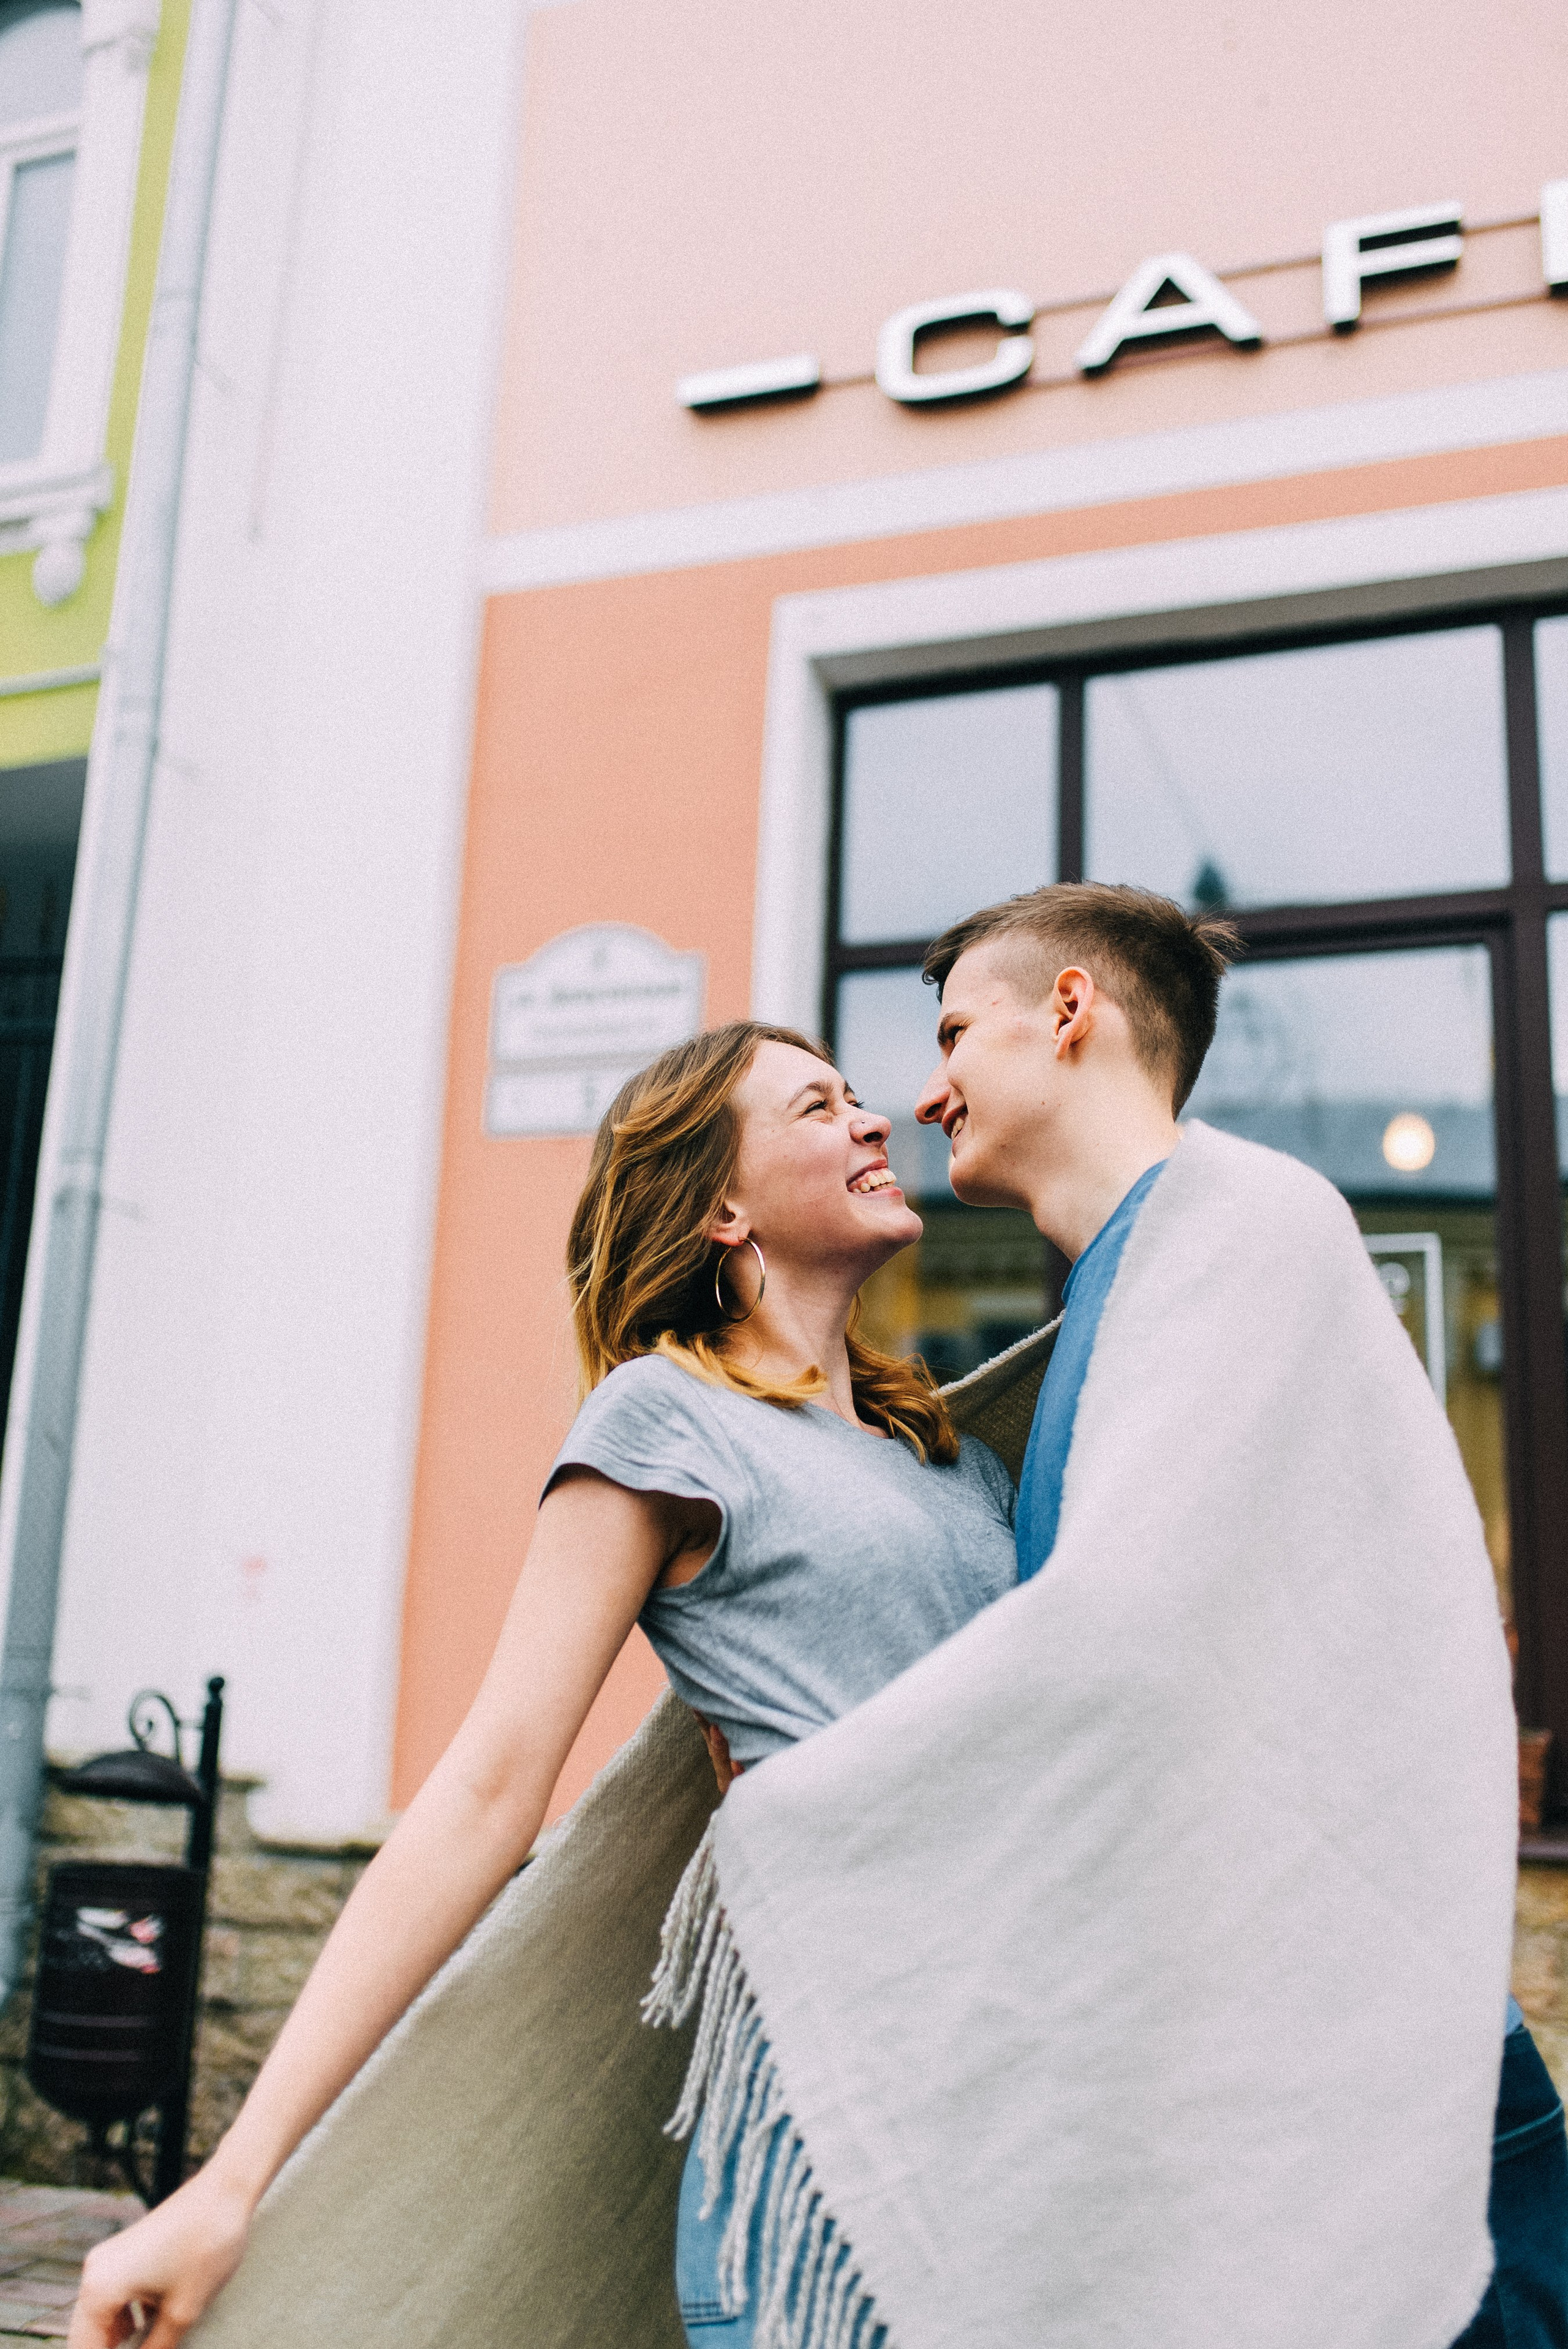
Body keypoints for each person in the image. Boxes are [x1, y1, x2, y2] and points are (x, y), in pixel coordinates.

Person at [67, 1020, 1018, 2349]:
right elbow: (487, 1790)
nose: (871, 1119)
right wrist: (232, 2181)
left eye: (856, 1096)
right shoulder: (665, 1420)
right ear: (721, 1207)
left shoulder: (954, 1454)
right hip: (825, 2149)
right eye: (818, 1106)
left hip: (998, 2094)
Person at [913, 880, 1567, 2349]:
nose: (926, 1091)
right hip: (1271, 2088)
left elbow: (1125, 1648)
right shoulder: (1133, 1289)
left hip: (1377, 2099)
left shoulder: (1247, 1229)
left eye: (954, 1033)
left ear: (1067, 1011)